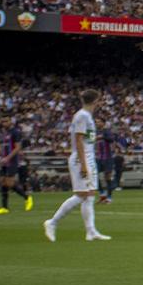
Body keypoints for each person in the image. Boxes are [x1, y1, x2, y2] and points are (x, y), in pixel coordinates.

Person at [44, 90, 108, 242]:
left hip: (89, 157)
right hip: (81, 158)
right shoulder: (82, 116)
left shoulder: (87, 116)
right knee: (81, 195)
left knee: (90, 194)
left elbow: (85, 139)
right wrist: (83, 164)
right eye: (99, 100)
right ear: (95, 101)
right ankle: (52, 222)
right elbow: (78, 140)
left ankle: (91, 231)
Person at [0, 124, 32, 215]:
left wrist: (8, 158)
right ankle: (4, 207)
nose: (4, 122)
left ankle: (27, 197)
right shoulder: (5, 133)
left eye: (6, 120)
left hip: (12, 161)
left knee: (9, 182)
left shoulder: (15, 132)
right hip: (5, 160)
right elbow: (5, 147)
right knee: (2, 181)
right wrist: (1, 155)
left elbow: (18, 147)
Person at [96, 128, 125, 203]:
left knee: (107, 177)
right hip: (99, 158)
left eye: (99, 121)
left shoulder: (107, 133)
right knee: (94, 175)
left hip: (108, 158)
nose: (97, 123)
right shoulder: (95, 131)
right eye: (96, 122)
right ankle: (102, 193)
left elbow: (111, 140)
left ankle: (109, 197)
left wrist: (102, 137)